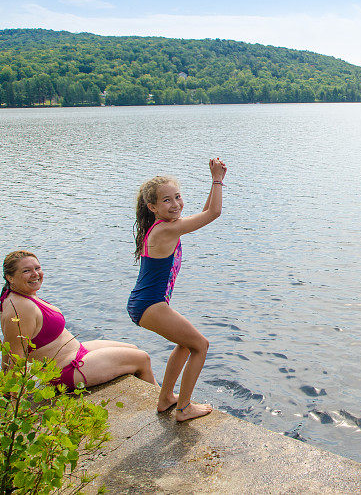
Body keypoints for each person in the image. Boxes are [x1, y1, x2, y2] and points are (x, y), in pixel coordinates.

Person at [127, 158, 226, 421]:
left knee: (185, 344)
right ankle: (183, 408)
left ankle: (166, 398)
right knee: (200, 346)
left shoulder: (165, 227)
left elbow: (205, 213)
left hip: (148, 303)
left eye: (178, 197)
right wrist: (217, 180)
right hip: (150, 304)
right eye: (167, 200)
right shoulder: (166, 231)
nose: (176, 204)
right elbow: (214, 213)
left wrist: (212, 183)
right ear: (153, 207)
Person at [1, 250, 157, 390]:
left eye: (37, 268)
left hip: (75, 353)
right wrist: (12, 402)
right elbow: (15, 358)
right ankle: (162, 401)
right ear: (10, 277)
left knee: (133, 349)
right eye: (26, 271)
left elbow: (10, 349)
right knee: (142, 359)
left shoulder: (23, 295)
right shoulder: (20, 308)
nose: (35, 274)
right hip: (66, 370)